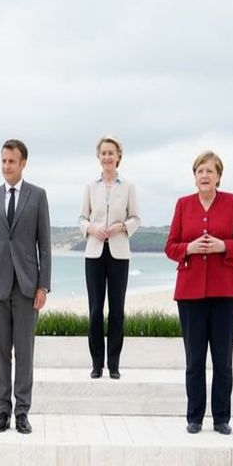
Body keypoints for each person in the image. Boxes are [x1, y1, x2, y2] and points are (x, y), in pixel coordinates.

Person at [165, 151, 233, 435]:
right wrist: (188, 248)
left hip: (226, 290)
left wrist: (223, 246)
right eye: (200, 171)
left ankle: (222, 418)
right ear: (195, 176)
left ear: (218, 176)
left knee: (223, 360)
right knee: (195, 360)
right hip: (190, 293)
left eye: (209, 171)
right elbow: (170, 246)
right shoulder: (183, 204)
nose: (204, 175)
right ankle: (194, 418)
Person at [0, 139, 51, 434]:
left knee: (24, 353)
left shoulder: (37, 196)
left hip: (27, 287)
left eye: (11, 161)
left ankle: (22, 412)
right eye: (3, 161)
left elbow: (44, 246)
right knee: (0, 353)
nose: (6, 166)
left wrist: (43, 286)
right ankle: (2, 411)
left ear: (23, 163)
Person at [78, 135, 141, 379]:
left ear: (118, 157)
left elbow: (136, 217)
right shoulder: (90, 186)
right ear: (98, 156)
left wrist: (121, 227)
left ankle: (114, 364)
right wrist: (91, 229)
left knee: (117, 310)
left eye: (111, 153)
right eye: (103, 153)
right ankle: (97, 364)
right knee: (95, 310)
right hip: (94, 253)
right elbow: (82, 218)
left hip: (119, 253)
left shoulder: (128, 186)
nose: (107, 157)